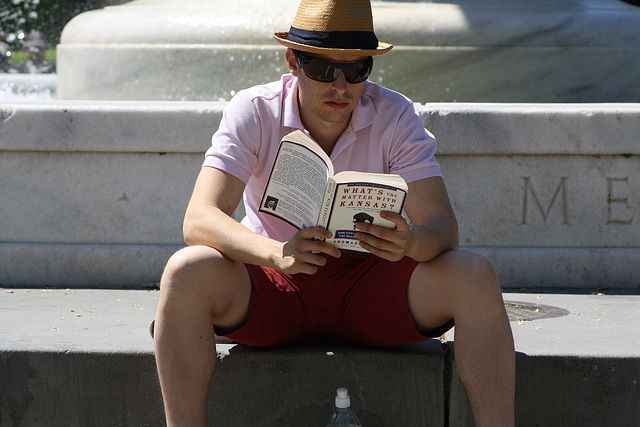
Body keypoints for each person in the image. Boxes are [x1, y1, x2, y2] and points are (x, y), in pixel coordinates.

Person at [153, 0, 515, 426]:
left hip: (369, 286)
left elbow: (443, 229)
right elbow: (198, 219)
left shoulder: (396, 114)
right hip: (276, 283)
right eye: (323, 70)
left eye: (357, 70)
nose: (340, 87)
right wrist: (275, 253)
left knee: (474, 275)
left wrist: (413, 240)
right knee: (186, 269)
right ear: (293, 61)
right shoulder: (254, 109)